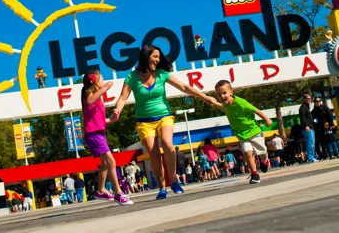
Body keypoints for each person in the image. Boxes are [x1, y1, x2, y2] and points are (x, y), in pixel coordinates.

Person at [113, 44, 217, 200]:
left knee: (168, 144)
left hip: (164, 116)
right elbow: (122, 98)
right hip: (144, 121)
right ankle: (162, 187)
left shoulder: (162, 74)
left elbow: (184, 87)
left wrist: (205, 97)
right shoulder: (132, 77)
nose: (158, 59)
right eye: (155, 56)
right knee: (153, 153)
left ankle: (174, 180)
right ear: (146, 57)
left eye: (158, 57)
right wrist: (117, 110)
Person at [82, 70, 133, 205]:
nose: (104, 82)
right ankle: (118, 193)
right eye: (102, 80)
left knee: (105, 164)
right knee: (111, 161)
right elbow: (89, 100)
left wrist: (111, 120)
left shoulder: (98, 99)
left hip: (98, 132)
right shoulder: (89, 95)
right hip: (94, 134)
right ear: (96, 83)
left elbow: (99, 120)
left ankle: (100, 190)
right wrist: (105, 88)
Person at [213, 80, 272, 184]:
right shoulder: (225, 105)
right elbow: (223, 107)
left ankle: (265, 161)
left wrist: (267, 119)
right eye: (219, 94)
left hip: (254, 132)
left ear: (231, 92)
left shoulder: (241, 103)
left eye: (224, 93)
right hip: (241, 134)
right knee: (247, 153)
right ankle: (254, 174)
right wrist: (215, 103)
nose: (222, 96)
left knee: (262, 152)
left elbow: (255, 110)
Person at [299, 94, 318, 164]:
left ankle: (311, 157)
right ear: (304, 99)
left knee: (310, 143)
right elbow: (303, 118)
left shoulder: (307, 107)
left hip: (310, 127)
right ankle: (310, 158)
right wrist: (306, 126)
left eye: (310, 98)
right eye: (308, 98)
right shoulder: (303, 108)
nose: (309, 100)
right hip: (308, 128)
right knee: (310, 143)